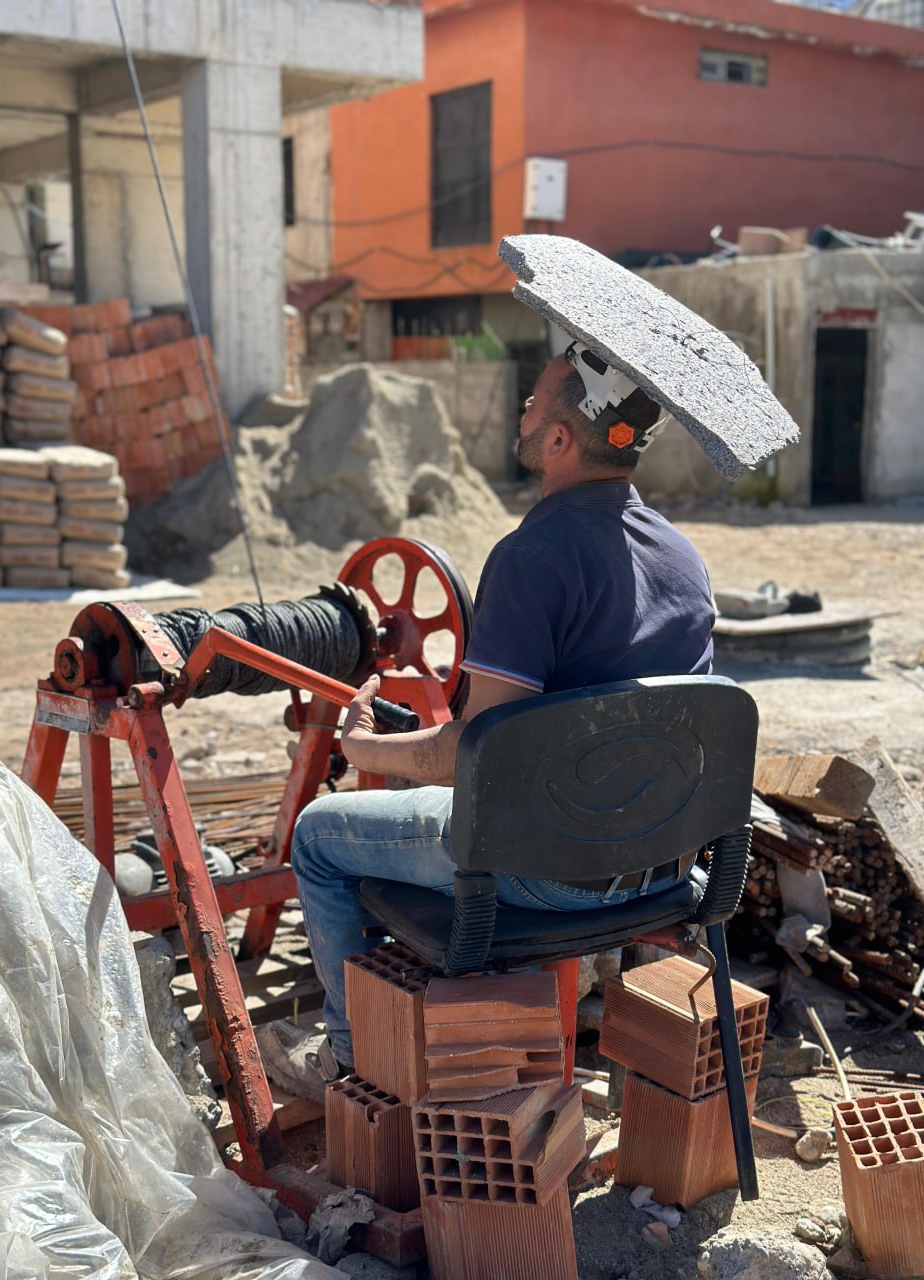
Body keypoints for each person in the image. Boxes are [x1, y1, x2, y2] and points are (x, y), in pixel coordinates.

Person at [256, 339, 716, 1101]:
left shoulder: (533, 556)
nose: (525, 411)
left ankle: (347, 1055)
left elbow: (474, 755)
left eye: (536, 402)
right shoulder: (682, 553)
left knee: (319, 834)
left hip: (552, 874)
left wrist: (367, 743)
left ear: (562, 440)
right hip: (666, 865)